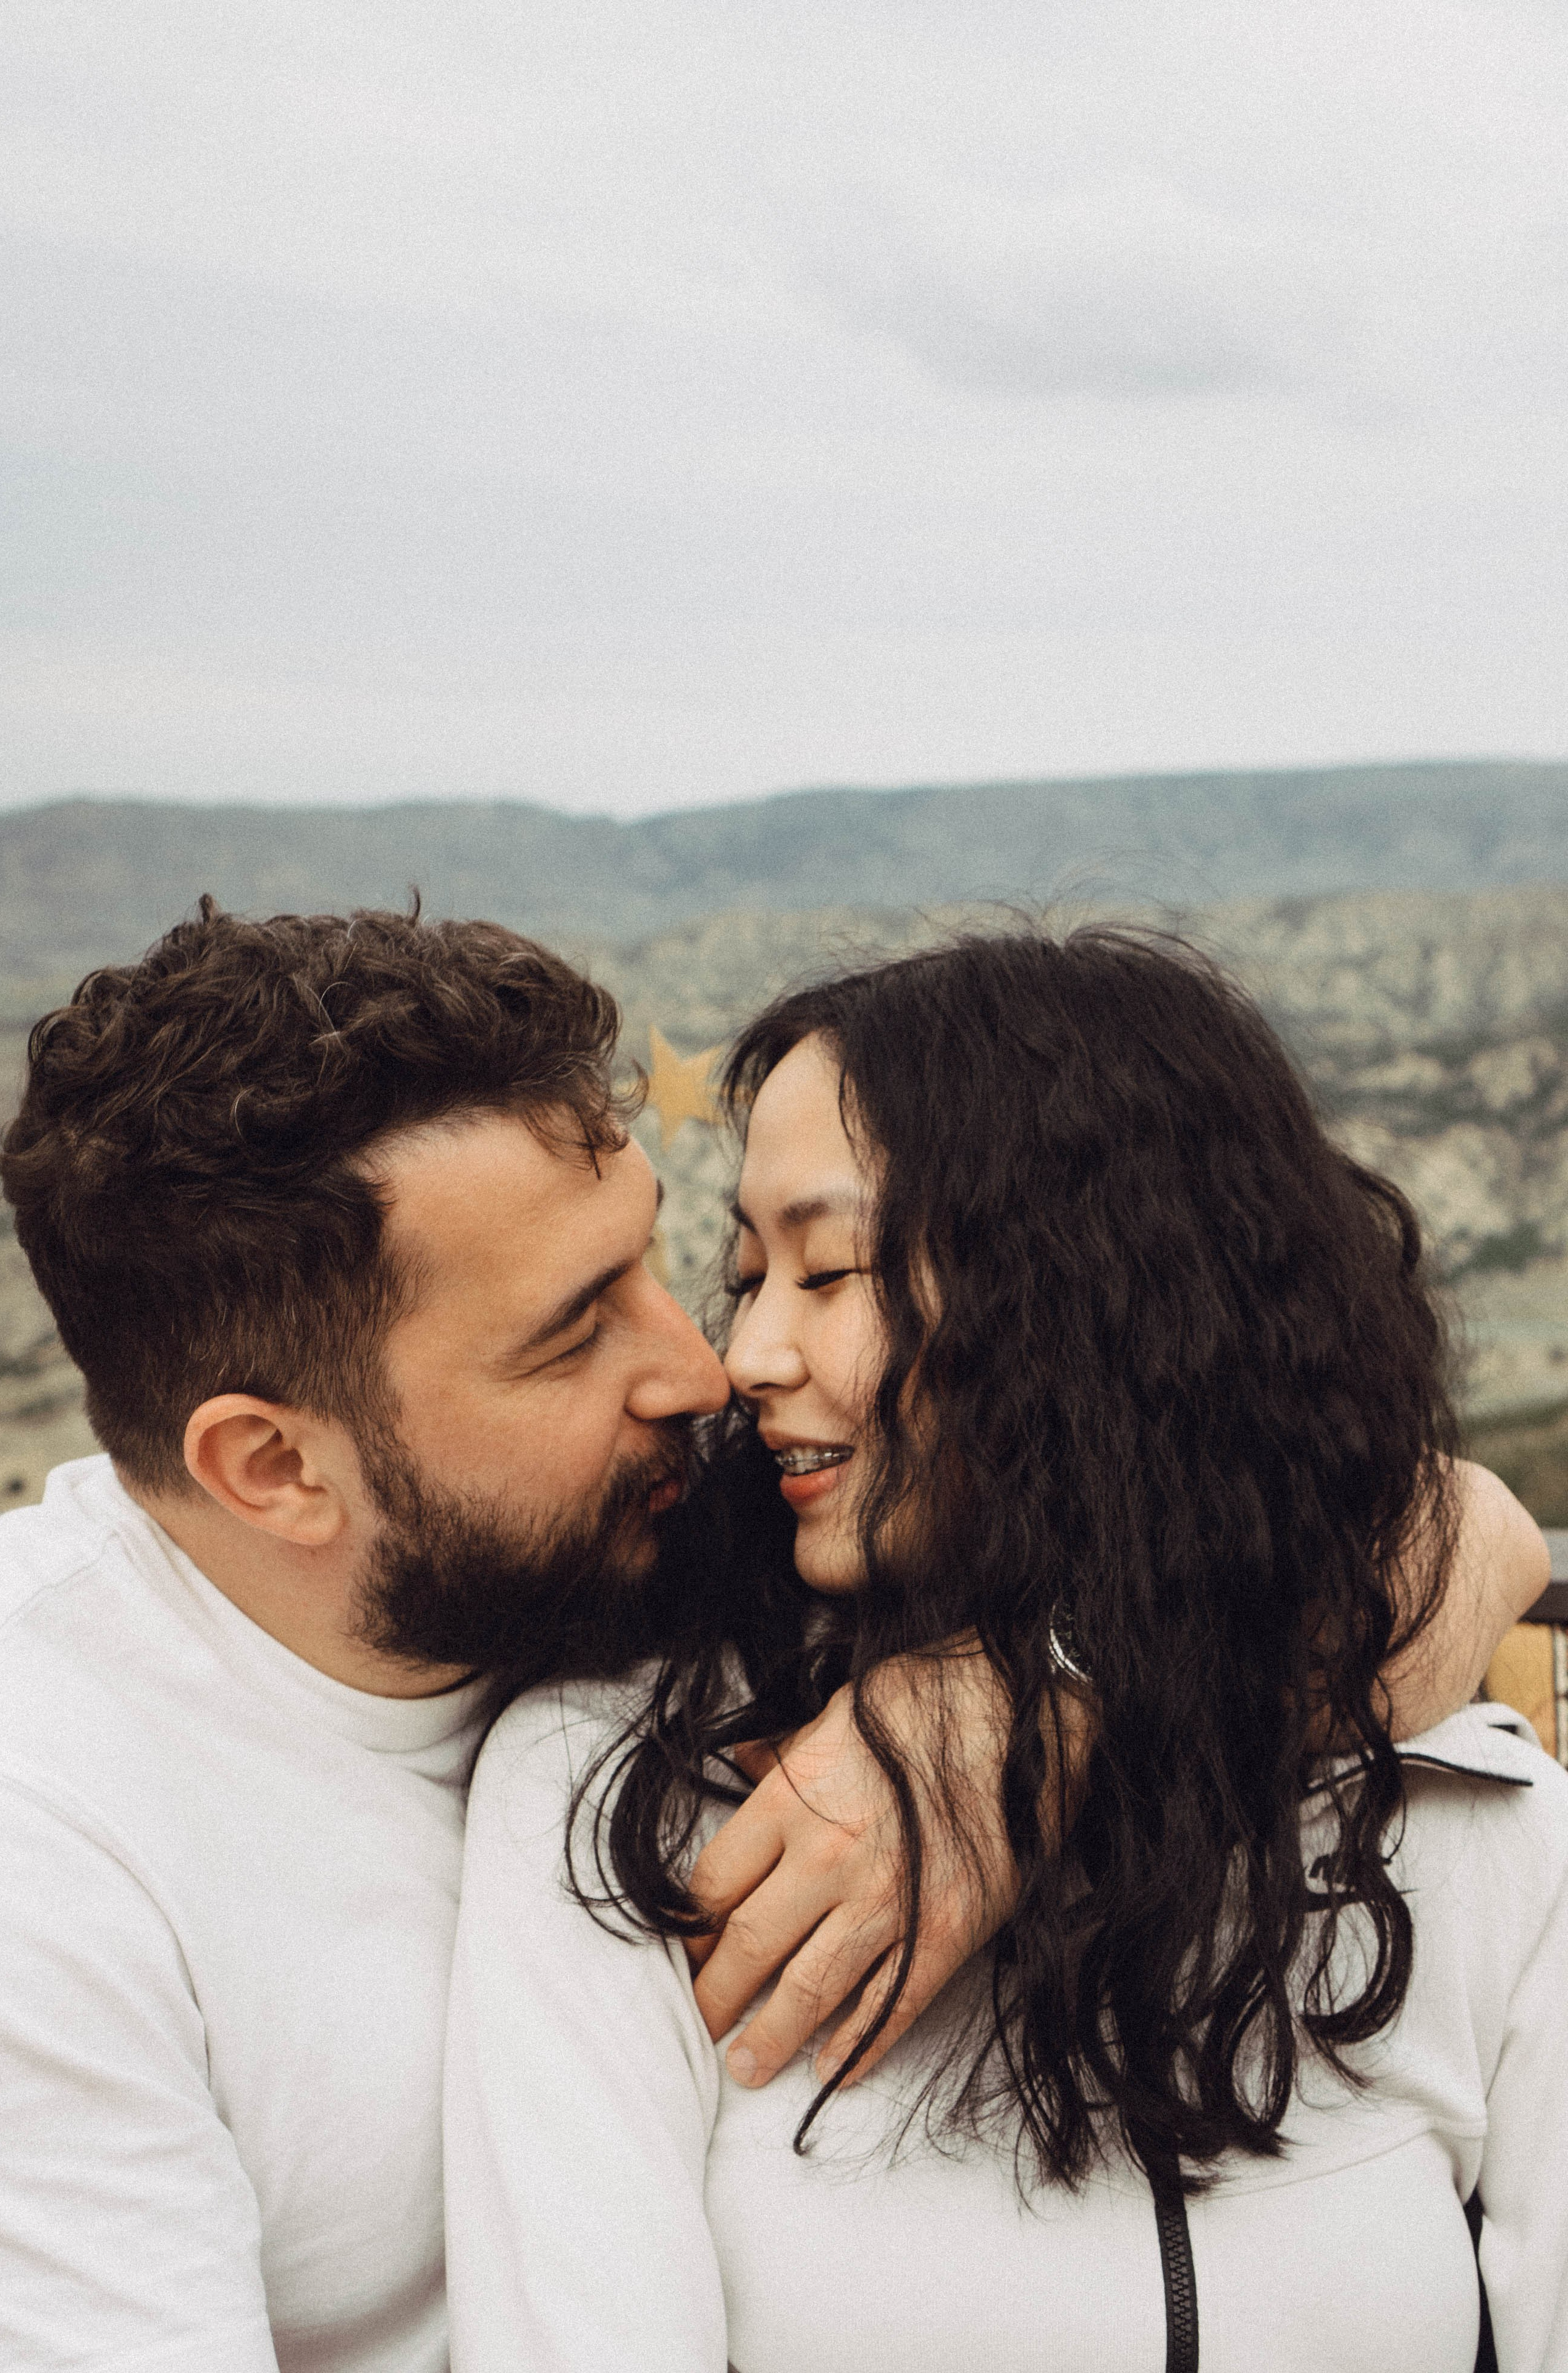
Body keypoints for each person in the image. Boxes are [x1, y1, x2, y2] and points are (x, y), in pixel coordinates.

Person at [446, 926, 1565, 2373]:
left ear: (1094, 1295)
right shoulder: (624, 1799)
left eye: (830, 1271)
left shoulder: (1456, 1810)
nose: (750, 1358)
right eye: (749, 1276)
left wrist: (1055, 1685)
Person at [0, 902, 1061, 2372]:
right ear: (278, 1471)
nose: (703, 1369)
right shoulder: (37, 1852)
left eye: (656, 1267)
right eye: (571, 1336)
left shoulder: (631, 1519)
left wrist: (1027, 1700)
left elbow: (1423, 1534)